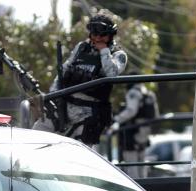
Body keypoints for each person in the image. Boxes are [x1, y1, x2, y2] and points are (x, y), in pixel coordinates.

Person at [33, 13, 127, 145]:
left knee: (78, 152)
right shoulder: (82, 48)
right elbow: (64, 70)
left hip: (88, 114)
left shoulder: (118, 54)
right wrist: (53, 95)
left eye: (103, 35)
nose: (98, 38)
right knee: (36, 135)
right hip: (64, 106)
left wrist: (104, 51)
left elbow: (111, 74)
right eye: (95, 34)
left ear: (110, 35)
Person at [109, 81, 158, 178]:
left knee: (132, 164)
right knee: (141, 162)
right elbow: (156, 115)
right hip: (144, 131)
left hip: (132, 132)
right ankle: (145, 186)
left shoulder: (133, 93)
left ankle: (136, 185)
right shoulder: (149, 93)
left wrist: (116, 119)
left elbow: (131, 110)